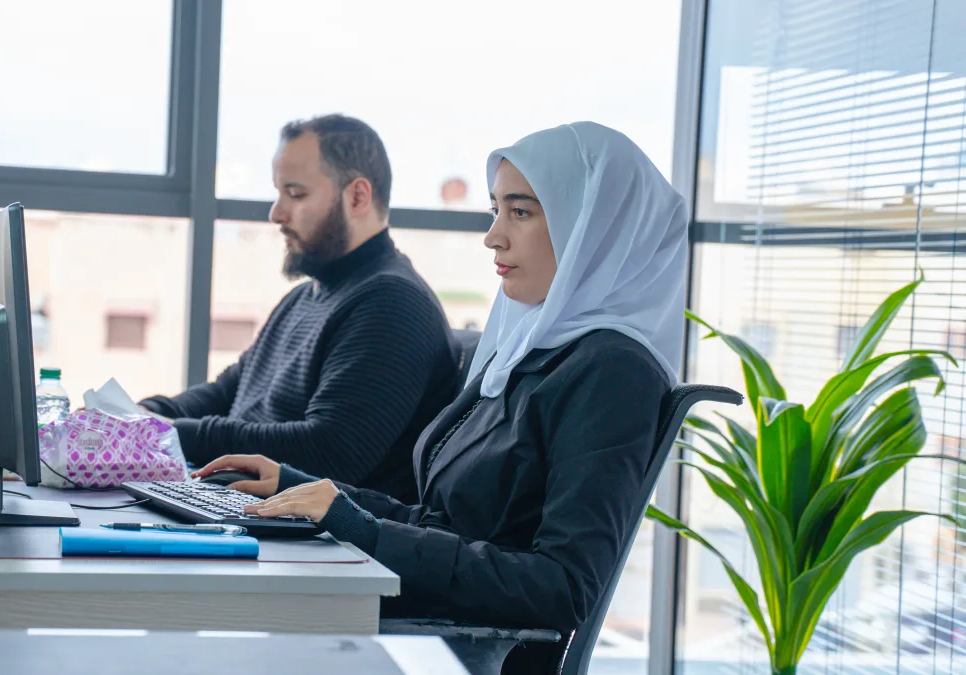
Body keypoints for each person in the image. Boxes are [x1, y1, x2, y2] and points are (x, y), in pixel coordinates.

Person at [194, 122, 688, 653]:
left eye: (520, 212)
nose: (493, 236)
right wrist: (303, 489)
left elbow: (563, 587)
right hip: (414, 625)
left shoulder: (612, 372)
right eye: (495, 210)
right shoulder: (531, 351)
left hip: (448, 650)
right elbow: (447, 524)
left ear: (597, 227)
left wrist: (363, 530)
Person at [141, 114, 457, 502]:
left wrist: (165, 433)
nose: (276, 213)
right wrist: (145, 413)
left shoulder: (392, 303)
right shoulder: (310, 295)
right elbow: (229, 392)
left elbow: (328, 452)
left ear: (357, 196)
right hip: (257, 517)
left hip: (322, 548)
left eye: (296, 194)